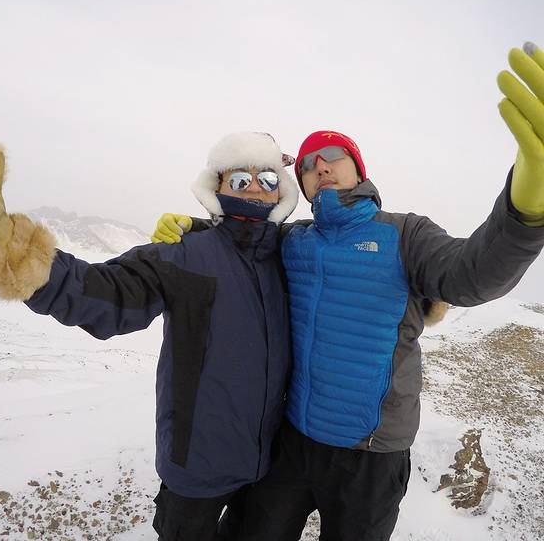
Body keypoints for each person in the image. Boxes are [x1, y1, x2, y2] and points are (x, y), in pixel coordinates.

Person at [152, 41, 544, 540]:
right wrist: (197, 227)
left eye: (334, 157)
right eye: (308, 164)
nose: (321, 166)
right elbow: (242, 246)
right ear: (302, 185)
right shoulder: (292, 241)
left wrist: (524, 213)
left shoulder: (404, 234)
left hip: (372, 456)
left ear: (359, 169)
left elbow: (473, 275)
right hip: (293, 443)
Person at [0, 130, 300, 541]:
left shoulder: (290, 256)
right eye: (239, 179)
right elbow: (104, 292)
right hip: (197, 467)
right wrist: (8, 250)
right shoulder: (185, 256)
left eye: (267, 179)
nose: (254, 188)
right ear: (217, 187)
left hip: (269, 465)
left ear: (282, 190)